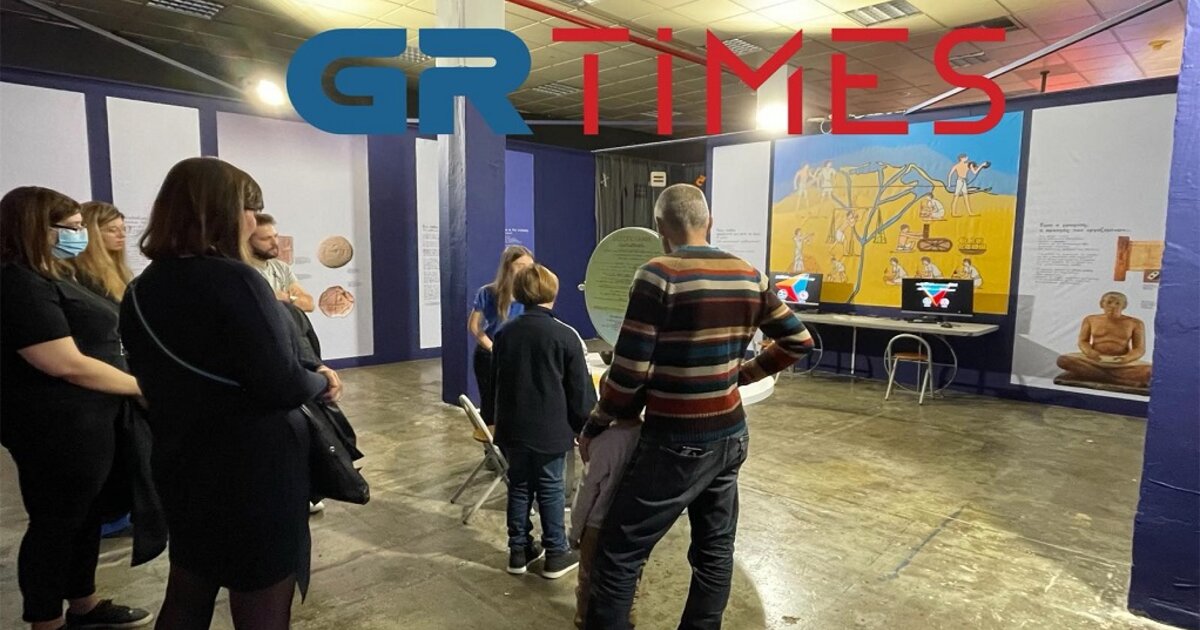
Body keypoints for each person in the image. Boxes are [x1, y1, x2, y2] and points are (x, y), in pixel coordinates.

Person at [119, 157, 340, 629]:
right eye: (251, 209)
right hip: (252, 467)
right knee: (262, 595)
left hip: (182, 457)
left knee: (189, 587)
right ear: (226, 212)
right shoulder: (237, 279)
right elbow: (281, 384)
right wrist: (322, 380)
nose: (254, 221)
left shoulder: (140, 288)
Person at [580, 184, 813, 628]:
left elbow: (629, 372)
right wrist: (739, 375)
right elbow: (799, 340)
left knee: (619, 552)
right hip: (731, 435)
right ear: (710, 222)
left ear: (660, 228)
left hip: (675, 439)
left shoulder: (657, 275)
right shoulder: (749, 274)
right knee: (714, 551)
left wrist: (596, 424)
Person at [0, 187, 152, 630]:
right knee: (56, 523)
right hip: (56, 425)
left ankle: (84, 604)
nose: (79, 235)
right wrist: (140, 387)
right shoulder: (18, 283)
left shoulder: (54, 276)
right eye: (70, 228)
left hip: (91, 417)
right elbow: (62, 362)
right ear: (35, 228)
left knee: (86, 516)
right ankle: (46, 620)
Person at [492, 263, 595, 579]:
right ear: (553, 292)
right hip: (550, 430)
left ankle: (518, 551)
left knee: (519, 486)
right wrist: (584, 426)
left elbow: (495, 382)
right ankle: (556, 552)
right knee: (550, 488)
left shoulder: (504, 333)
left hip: (513, 428)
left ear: (519, 293)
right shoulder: (565, 336)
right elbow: (579, 391)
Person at [571, 409, 642, 629]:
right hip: (635, 523)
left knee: (589, 577)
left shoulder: (605, 441)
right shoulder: (649, 436)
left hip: (598, 525)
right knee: (630, 576)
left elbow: (587, 490)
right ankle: (627, 618)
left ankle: (584, 619)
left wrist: (575, 531)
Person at [467, 245, 534, 424]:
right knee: (490, 405)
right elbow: (474, 326)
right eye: (520, 265)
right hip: (489, 356)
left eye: (529, 266)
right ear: (508, 266)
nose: (525, 270)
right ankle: (489, 440)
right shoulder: (487, 293)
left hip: (517, 356)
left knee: (514, 405)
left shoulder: (530, 295)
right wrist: (492, 347)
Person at [1055, 291, 1152, 390]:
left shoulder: (1135, 323)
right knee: (1063, 360)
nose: (1113, 306)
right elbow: (1083, 341)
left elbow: (1139, 349)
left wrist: (1127, 358)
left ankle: (1091, 374)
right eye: (1109, 302)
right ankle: (1117, 380)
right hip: (1095, 359)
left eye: (1117, 303)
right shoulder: (1090, 319)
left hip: (1120, 362)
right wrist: (1089, 352)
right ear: (1101, 304)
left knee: (1150, 370)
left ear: (1124, 306)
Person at [248, 213, 314, 313]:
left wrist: (287, 298)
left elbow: (309, 304)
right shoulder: (244, 270)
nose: (275, 243)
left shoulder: (281, 267)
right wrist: (292, 299)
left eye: (275, 236)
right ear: (247, 242)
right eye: (265, 239)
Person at [73, 201, 133, 304]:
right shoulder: (81, 275)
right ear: (92, 233)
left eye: (123, 229)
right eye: (112, 230)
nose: (122, 235)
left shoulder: (120, 270)